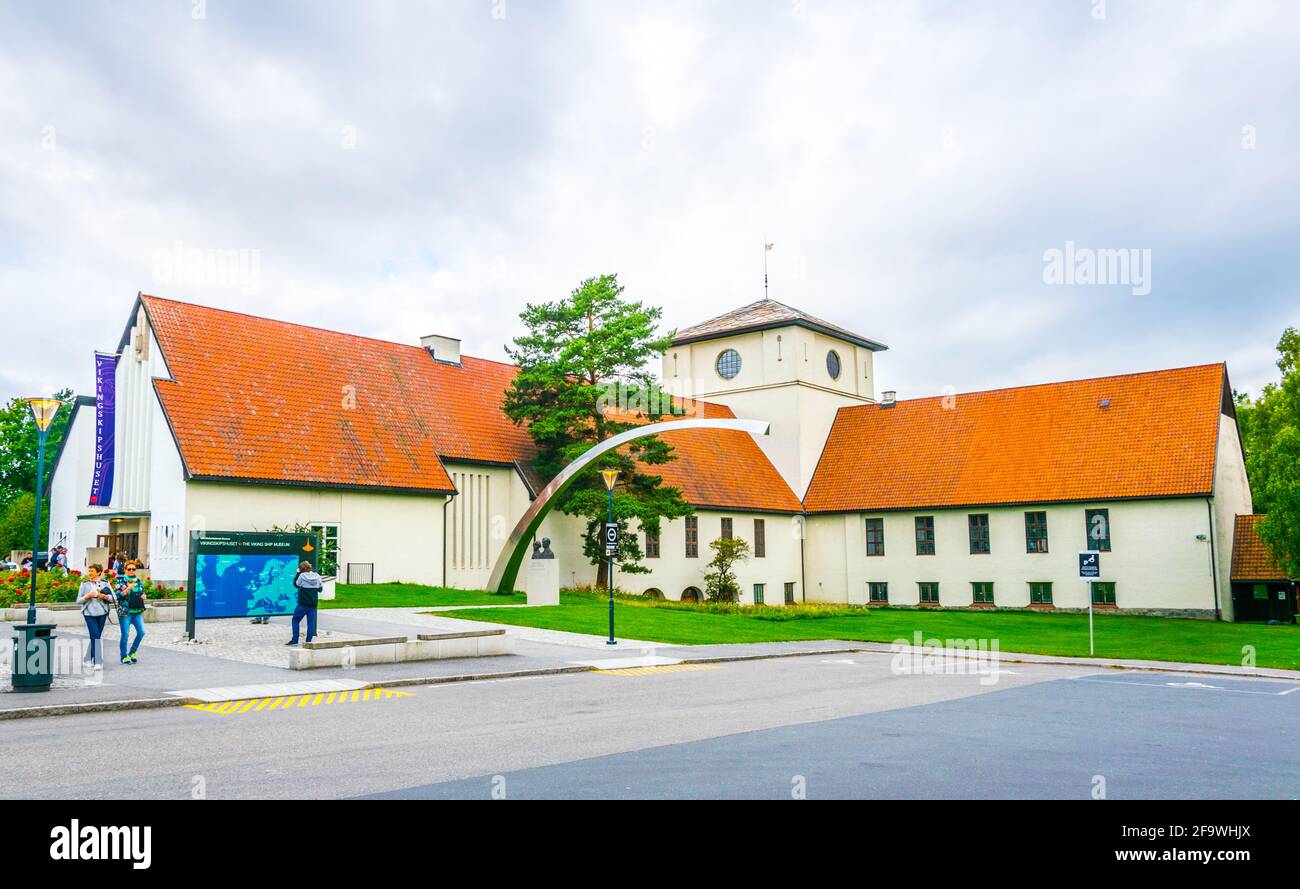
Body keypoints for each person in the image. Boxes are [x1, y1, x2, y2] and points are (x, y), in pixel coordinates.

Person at [76, 564, 114, 669]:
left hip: (102, 613)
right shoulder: (84, 584)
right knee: (96, 635)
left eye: (92, 571)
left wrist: (103, 596)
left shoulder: (105, 583)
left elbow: (113, 598)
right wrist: (87, 596)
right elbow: (78, 600)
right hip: (89, 614)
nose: (90, 573)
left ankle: (87, 659)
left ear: (98, 572)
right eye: (89, 571)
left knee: (95, 637)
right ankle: (98, 661)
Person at [114, 561, 148, 665]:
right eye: (129, 569)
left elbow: (141, 592)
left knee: (141, 632)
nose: (132, 571)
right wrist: (128, 588)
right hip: (125, 612)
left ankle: (132, 652)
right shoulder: (120, 581)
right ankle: (123, 656)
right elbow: (117, 595)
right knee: (125, 634)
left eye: (133, 569)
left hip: (137, 611)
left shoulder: (138, 581)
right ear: (125, 570)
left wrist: (143, 595)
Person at [287, 561, 322, 646]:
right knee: (310, 623)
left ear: (301, 569)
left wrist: (297, 573)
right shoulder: (317, 576)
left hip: (303, 603)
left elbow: (296, 584)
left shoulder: (302, 576)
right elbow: (320, 589)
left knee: (295, 620)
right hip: (313, 604)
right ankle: (308, 642)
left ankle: (295, 640)